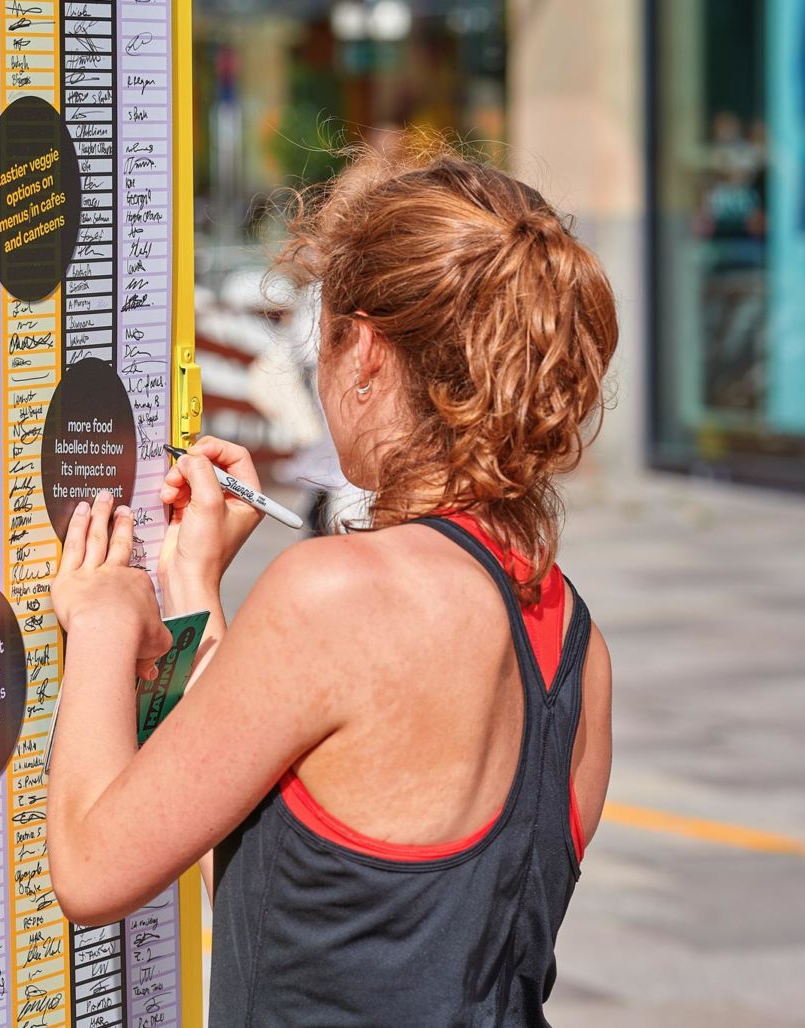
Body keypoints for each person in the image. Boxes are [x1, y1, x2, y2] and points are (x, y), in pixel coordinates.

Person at [46, 144, 618, 1025]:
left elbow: (91, 869)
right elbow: (275, 885)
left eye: (325, 335)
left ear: (368, 353)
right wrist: (195, 582)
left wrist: (101, 622)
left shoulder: (339, 593)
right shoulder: (576, 639)